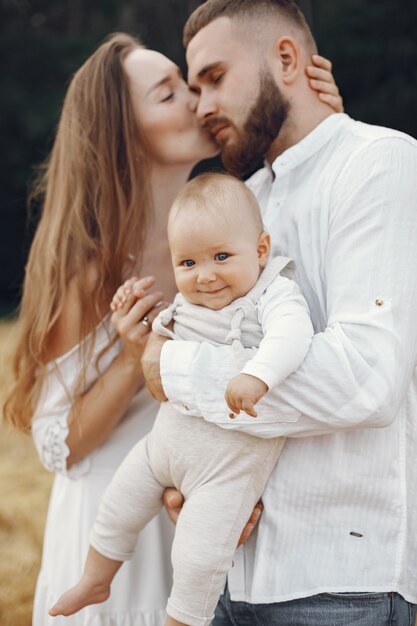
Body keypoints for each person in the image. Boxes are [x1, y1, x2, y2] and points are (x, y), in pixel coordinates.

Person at [3, 28, 342, 626]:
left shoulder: (236, 227)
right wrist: (138, 356)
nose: (197, 100)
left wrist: (324, 128)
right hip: (115, 523)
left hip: (203, 506)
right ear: (123, 136)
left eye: (191, 84)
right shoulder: (89, 268)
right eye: (168, 94)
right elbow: (61, 445)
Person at [140, 1, 417, 625]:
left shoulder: (379, 162)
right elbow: (211, 342)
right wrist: (193, 482)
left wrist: (175, 371)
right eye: (191, 88)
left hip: (335, 585)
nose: (201, 105)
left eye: (214, 77)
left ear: (286, 59)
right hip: (227, 573)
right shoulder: (244, 201)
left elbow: (365, 381)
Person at [48, 172, 313, 626]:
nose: (205, 276)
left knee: (198, 556)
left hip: (224, 473)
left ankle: (181, 621)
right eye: (187, 263)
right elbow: (160, 342)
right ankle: (95, 575)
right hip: (162, 450)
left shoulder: (272, 294)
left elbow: (294, 335)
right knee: (116, 504)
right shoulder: (188, 302)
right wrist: (136, 321)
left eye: (221, 257)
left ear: (261, 249)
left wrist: (258, 374)